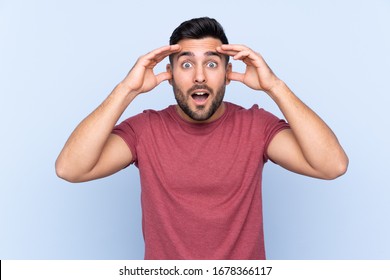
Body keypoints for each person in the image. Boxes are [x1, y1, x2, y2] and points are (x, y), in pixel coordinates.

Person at [55, 17, 348, 260]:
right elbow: (70, 169)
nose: (199, 77)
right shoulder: (145, 129)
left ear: (227, 72)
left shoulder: (255, 126)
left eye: (211, 64)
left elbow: (332, 165)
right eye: (185, 64)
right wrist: (126, 90)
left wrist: (275, 87)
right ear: (168, 73)